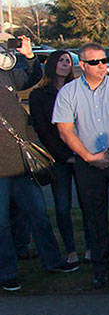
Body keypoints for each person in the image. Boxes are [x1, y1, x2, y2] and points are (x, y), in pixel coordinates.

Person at [53, 42, 109, 288]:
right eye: (95, 62)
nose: (102, 66)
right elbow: (65, 130)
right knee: (94, 216)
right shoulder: (69, 92)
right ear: (82, 65)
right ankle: (101, 267)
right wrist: (89, 157)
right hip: (87, 161)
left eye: (104, 60)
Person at [0, 32, 78, 291]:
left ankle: (52, 261)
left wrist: (29, 55)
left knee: (39, 216)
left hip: (21, 164)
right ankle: (7, 273)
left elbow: (30, 76)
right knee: (2, 224)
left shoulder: (5, 76)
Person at [27, 49, 83, 265]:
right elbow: (43, 129)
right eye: (60, 60)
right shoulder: (39, 95)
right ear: (51, 65)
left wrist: (79, 152)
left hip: (81, 153)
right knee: (62, 205)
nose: (65, 64)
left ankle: (91, 247)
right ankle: (70, 249)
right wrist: (64, 156)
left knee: (89, 203)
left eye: (68, 61)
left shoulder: (77, 89)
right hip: (58, 159)